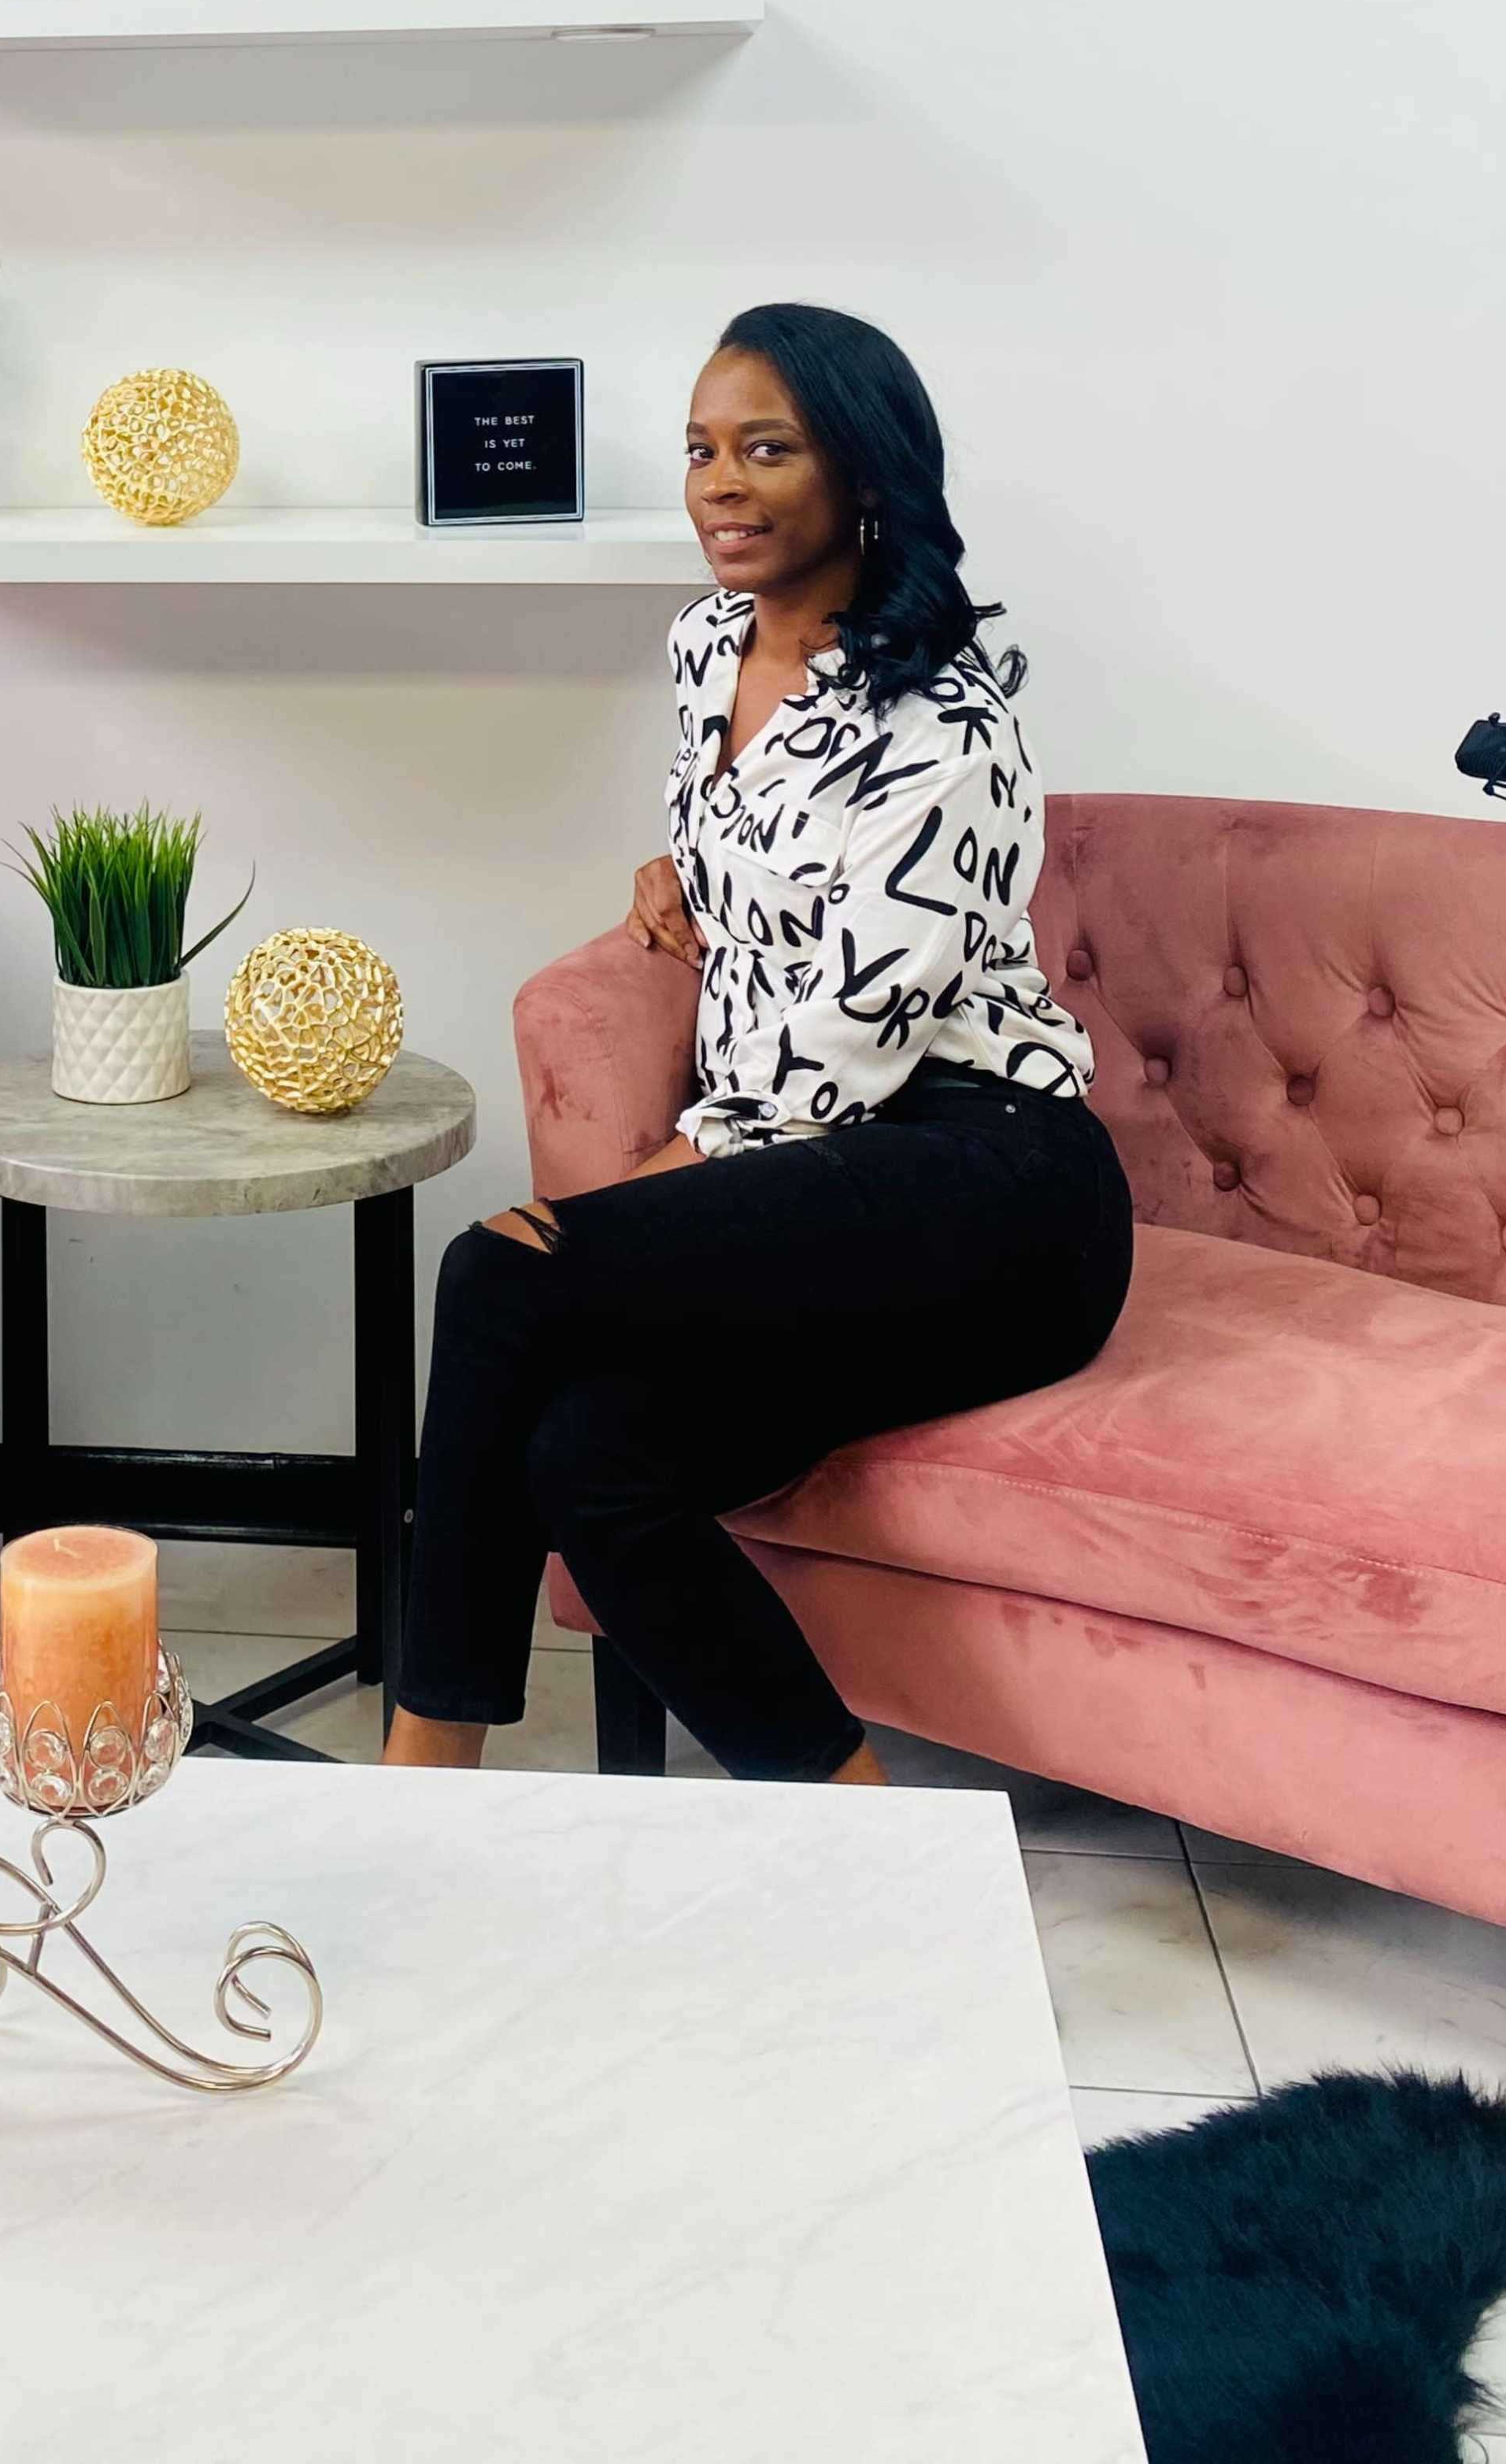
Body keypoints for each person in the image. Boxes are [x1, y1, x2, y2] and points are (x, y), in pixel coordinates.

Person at [383, 301, 1130, 1786]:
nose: (720, 483)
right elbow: (756, 850)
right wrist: (678, 873)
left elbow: (840, 1052)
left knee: (499, 1274)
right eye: (702, 450)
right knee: (590, 1459)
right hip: (830, 1198)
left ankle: (422, 1789)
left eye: (767, 450)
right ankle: (867, 1834)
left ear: (862, 477)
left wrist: (634, 1200)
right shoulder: (703, 647)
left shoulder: (948, 723)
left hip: (996, 1189)